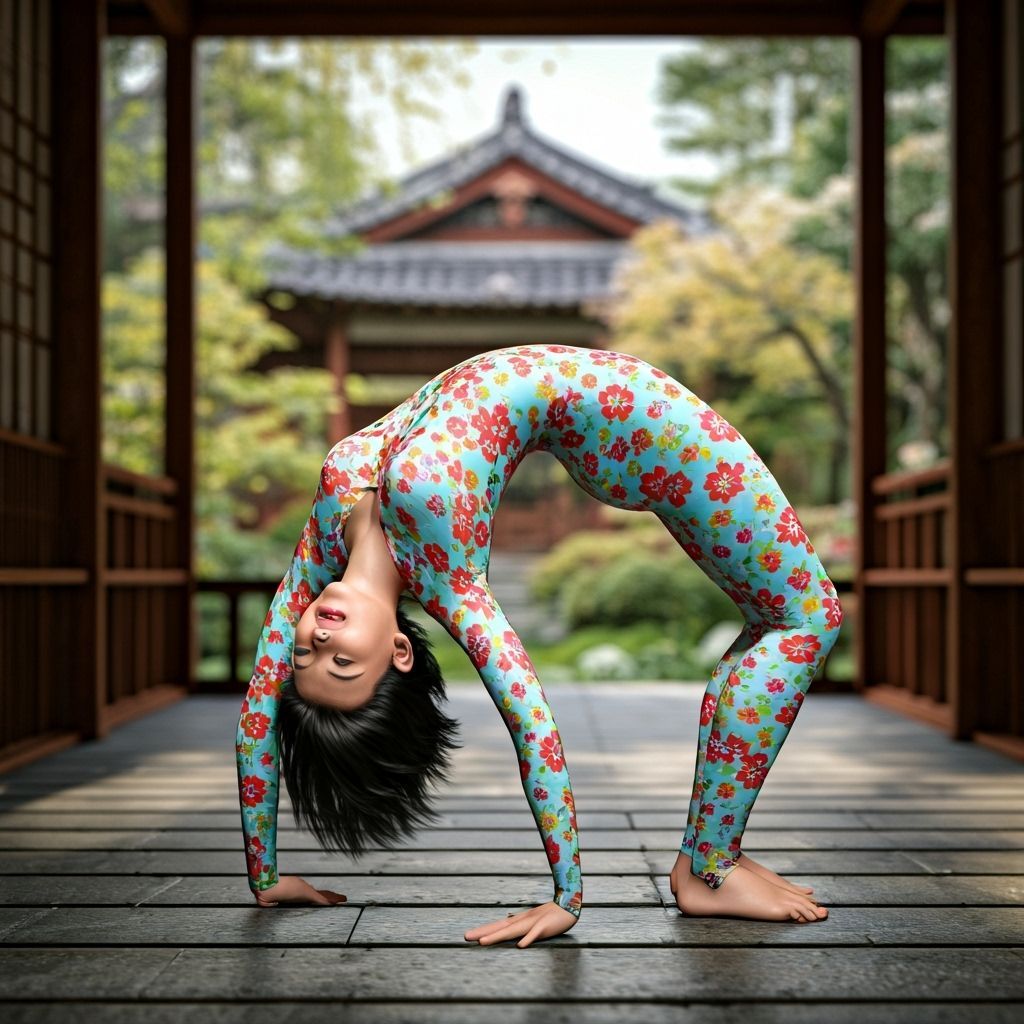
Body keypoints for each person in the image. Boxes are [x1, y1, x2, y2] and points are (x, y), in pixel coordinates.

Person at [236, 343, 843, 948]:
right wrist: (567, 897)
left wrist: (264, 876)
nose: (317, 636)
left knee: (790, 618)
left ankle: (713, 857)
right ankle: (711, 868)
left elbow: (257, 712)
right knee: (807, 618)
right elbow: (532, 727)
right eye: (342, 662)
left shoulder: (323, 543)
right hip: (639, 422)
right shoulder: (446, 576)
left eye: (306, 654)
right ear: (400, 650)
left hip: (609, 406)